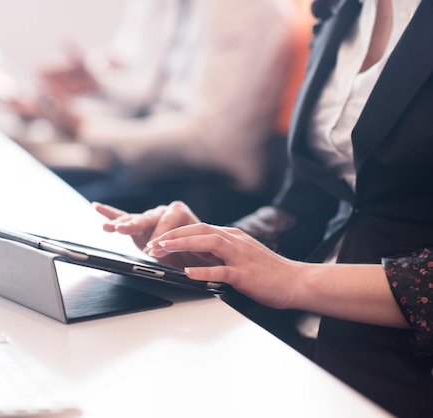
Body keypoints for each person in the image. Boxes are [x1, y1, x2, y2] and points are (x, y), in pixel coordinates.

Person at [93, 0, 433, 416]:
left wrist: (297, 280)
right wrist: (219, 244)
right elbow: (307, 203)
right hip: (289, 337)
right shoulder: (341, 10)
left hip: (398, 371)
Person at [34, 0, 298, 226]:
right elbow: (151, 88)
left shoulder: (241, 8)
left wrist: (85, 127)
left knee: (43, 214)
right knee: (32, 189)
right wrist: (95, 86)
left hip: (205, 191)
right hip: (146, 173)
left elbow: (211, 138)